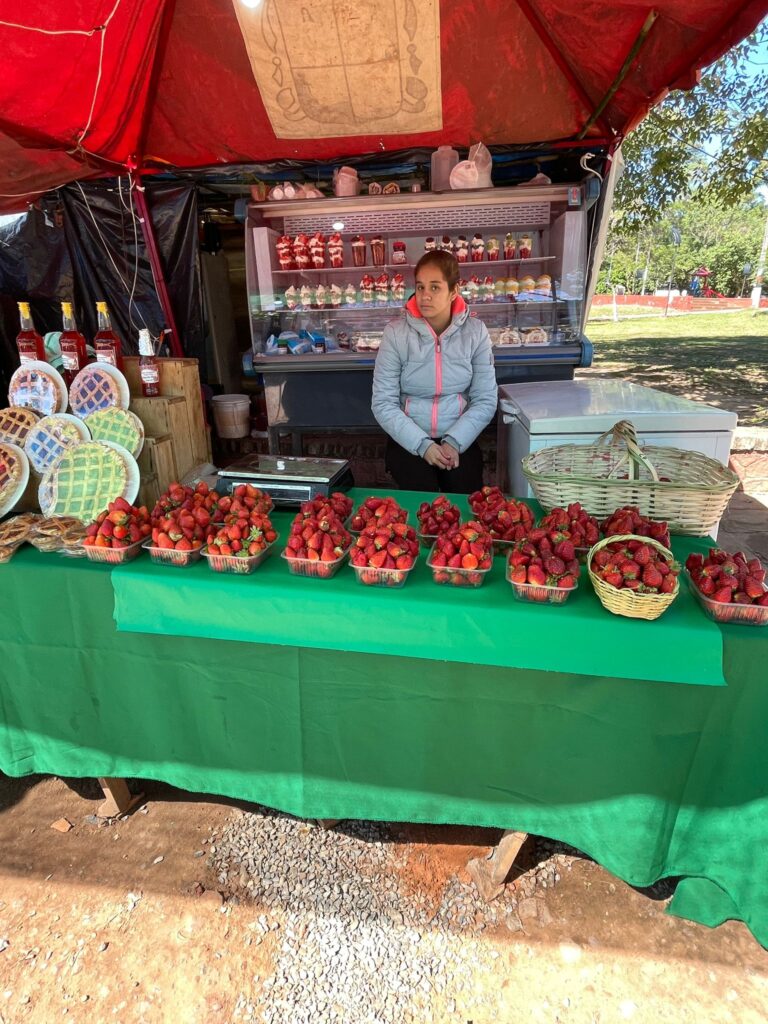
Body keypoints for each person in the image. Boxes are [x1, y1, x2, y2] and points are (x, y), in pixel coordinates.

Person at [371, 249, 497, 493]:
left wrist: (454, 442)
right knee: (422, 506)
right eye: (420, 287)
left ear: (453, 291)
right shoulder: (396, 334)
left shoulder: (475, 332)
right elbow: (383, 403)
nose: (425, 296)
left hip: (460, 437)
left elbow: (485, 399)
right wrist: (423, 446)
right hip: (409, 439)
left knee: (465, 503)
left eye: (435, 287)